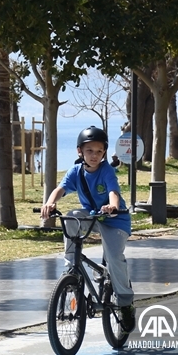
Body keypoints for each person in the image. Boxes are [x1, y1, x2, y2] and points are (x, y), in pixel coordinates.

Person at [40, 126, 135, 333]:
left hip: (115, 220)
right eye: (89, 150)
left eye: (99, 151)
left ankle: (126, 303)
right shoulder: (76, 172)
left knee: (114, 258)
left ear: (104, 153)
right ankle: (71, 267)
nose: (94, 155)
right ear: (79, 151)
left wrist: (112, 206)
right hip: (92, 216)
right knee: (71, 217)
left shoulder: (106, 170)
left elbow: (113, 191)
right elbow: (60, 189)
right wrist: (49, 203)